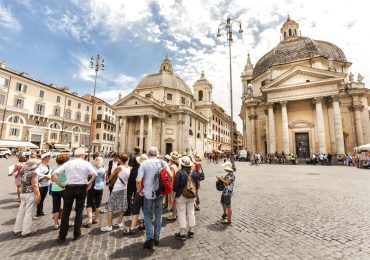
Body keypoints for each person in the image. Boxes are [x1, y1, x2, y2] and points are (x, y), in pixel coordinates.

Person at [52, 148, 97, 243]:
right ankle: (77, 233)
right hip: (81, 188)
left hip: (69, 188)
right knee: (79, 211)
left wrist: (60, 184)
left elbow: (54, 174)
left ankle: (62, 236)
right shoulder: (86, 163)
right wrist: (90, 182)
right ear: (83, 155)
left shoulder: (68, 163)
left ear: (74, 155)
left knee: (66, 213)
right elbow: (95, 174)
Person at [136, 146, 170, 249]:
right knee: (158, 215)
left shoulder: (144, 164)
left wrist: (139, 191)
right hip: (160, 193)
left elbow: (138, 180)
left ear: (149, 154)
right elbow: (170, 174)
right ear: (157, 153)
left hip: (148, 193)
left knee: (147, 214)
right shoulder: (163, 163)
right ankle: (157, 238)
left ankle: (149, 238)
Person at [101, 153, 130, 232]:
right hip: (124, 188)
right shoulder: (128, 167)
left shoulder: (119, 167)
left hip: (117, 188)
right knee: (123, 205)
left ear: (120, 159)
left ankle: (109, 226)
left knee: (110, 207)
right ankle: (120, 222)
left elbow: (110, 177)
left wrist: (110, 178)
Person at [173, 156, 199, 240]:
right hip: (192, 195)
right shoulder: (194, 173)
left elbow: (175, 187)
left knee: (181, 213)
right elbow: (197, 185)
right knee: (191, 211)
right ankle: (191, 231)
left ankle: (182, 233)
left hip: (181, 195)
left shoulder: (179, 173)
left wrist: (175, 194)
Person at [14, 158, 41, 237]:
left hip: (23, 193)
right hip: (30, 193)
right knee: (29, 212)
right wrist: (38, 195)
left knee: (21, 212)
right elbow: (35, 185)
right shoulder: (33, 173)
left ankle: (17, 229)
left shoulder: (25, 170)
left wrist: (21, 190)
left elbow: (21, 181)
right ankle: (26, 231)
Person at [123, 154, 148, 235]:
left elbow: (139, 181)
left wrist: (138, 190)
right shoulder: (149, 168)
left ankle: (132, 228)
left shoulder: (141, 168)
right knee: (145, 209)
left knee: (135, 209)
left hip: (141, 191)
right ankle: (144, 224)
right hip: (148, 192)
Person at [84, 156, 106, 228]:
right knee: (98, 204)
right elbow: (104, 179)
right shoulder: (103, 169)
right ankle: (96, 219)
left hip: (92, 187)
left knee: (89, 203)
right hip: (100, 187)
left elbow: (88, 177)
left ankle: (90, 219)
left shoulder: (92, 169)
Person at [50, 153, 70, 230]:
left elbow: (52, 179)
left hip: (54, 188)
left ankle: (56, 224)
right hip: (64, 188)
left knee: (55, 206)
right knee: (67, 206)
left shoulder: (54, 168)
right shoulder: (66, 168)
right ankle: (66, 222)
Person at [35, 152, 52, 217]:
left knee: (42, 199)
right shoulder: (39, 166)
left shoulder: (47, 165)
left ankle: (40, 211)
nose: (49, 158)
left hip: (46, 184)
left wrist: (49, 177)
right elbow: (36, 173)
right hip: (40, 184)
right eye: (48, 157)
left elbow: (50, 173)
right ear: (44, 158)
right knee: (38, 199)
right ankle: (35, 212)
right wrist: (45, 176)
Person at [126, 147, 141, 215]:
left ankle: (129, 209)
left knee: (129, 193)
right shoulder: (141, 156)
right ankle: (135, 208)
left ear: (134, 150)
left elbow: (130, 167)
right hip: (139, 176)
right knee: (136, 192)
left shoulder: (132, 156)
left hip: (132, 176)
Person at [167, 154, 179, 220]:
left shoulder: (172, 167)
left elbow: (171, 176)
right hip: (176, 185)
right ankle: (175, 213)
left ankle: (174, 215)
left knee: (173, 200)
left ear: (171, 160)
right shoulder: (176, 166)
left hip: (172, 185)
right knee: (175, 200)